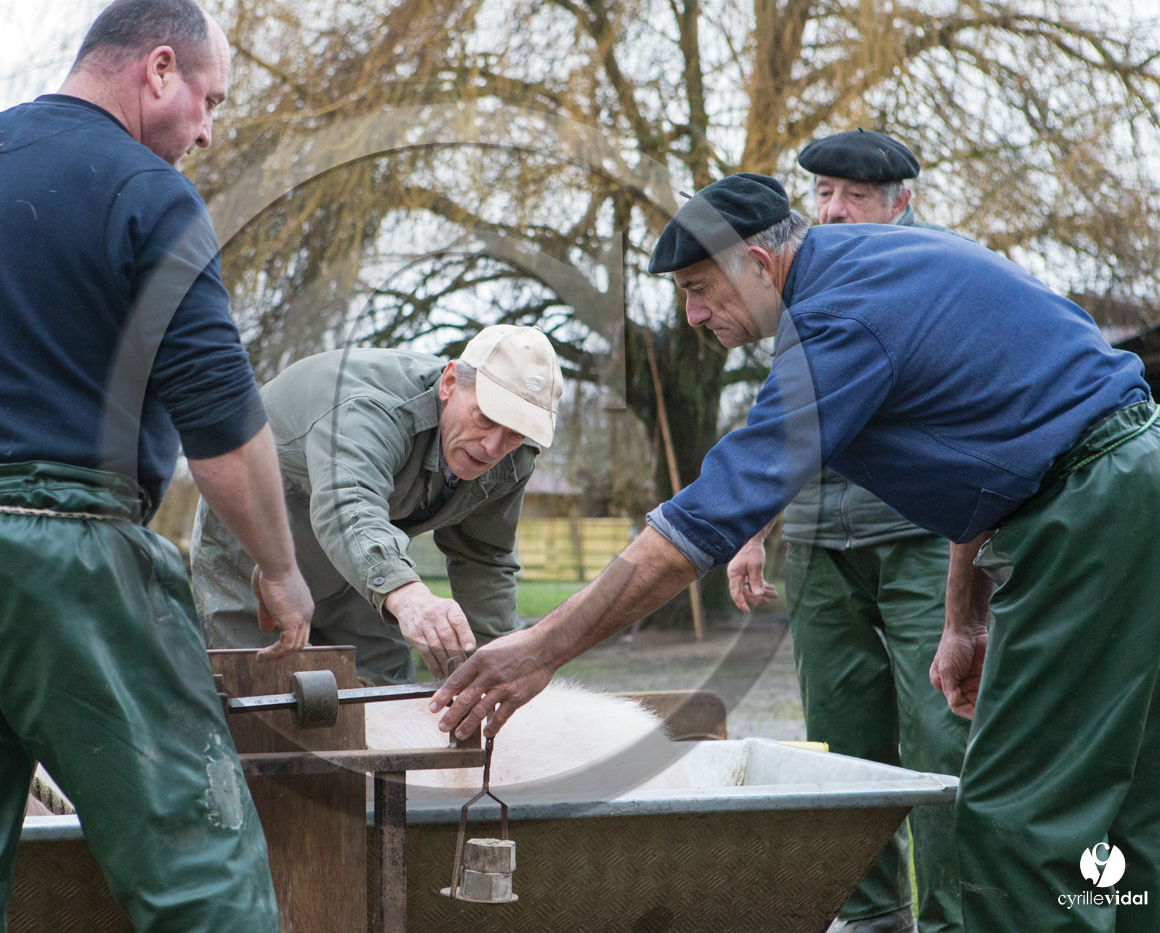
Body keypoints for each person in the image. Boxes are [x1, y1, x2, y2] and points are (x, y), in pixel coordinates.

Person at [432, 173, 1158, 933]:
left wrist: (542, 646)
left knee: (1019, 818)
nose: (692, 314)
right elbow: (986, 454)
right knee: (1131, 803)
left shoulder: (838, 318)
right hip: (1124, 486)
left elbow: (704, 519)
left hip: (1092, 510)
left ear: (758, 261)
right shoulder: (881, 263)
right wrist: (964, 615)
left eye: (701, 288)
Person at [0, 1, 313, 929]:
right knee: (200, 870)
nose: (208, 132)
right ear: (158, 70)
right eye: (209, 101)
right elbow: (219, 421)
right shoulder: (147, 193)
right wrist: (281, 571)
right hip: (65, 555)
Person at [726, 130, 969, 933]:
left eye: (854, 195)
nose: (833, 209)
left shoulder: (938, 273)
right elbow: (783, 420)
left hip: (919, 538)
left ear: (903, 202)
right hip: (819, 546)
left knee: (939, 732)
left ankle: (953, 915)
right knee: (837, 734)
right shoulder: (801, 286)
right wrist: (753, 529)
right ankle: (869, 914)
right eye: (823, 193)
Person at [192, 325, 563, 684]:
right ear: (450, 383)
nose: (493, 448)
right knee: (257, 699)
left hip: (362, 565)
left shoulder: (514, 457)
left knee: (388, 693)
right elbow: (348, 507)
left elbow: (483, 557)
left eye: (515, 432)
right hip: (253, 549)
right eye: (485, 417)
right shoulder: (368, 408)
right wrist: (410, 597)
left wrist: (497, 662)